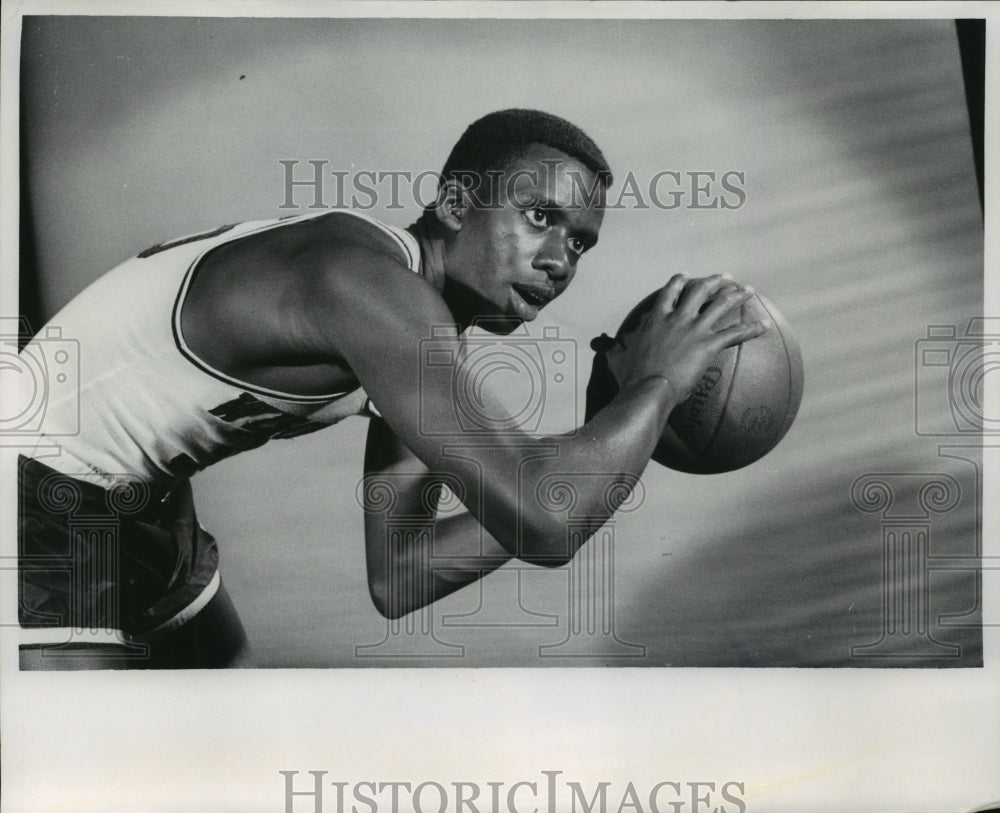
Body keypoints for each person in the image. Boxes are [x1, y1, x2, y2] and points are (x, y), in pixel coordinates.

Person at [18, 109, 765, 668]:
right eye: (540, 217)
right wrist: (661, 383)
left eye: (580, 241)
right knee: (87, 769)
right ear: (454, 206)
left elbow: (402, 573)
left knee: (231, 728)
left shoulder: (420, 322)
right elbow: (546, 519)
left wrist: (597, 445)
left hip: (139, 491)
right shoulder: (367, 288)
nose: (560, 259)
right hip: (33, 477)